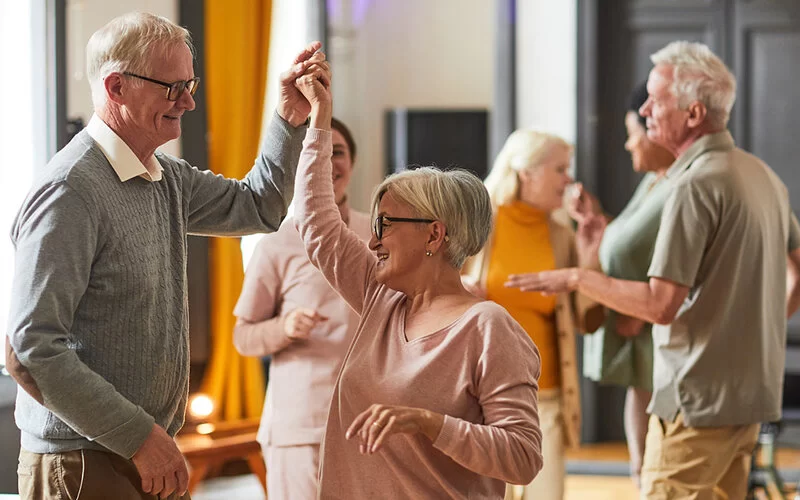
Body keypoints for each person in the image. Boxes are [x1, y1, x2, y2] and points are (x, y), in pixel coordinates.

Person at [4, 12, 322, 500]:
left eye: (189, 84)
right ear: (116, 87)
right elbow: (30, 349)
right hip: (84, 461)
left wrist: (287, 118)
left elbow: (258, 206)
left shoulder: (164, 176)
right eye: (172, 88)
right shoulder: (69, 191)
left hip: (133, 451)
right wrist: (138, 437)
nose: (189, 102)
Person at [505, 40, 800, 499]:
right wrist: (756, 327)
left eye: (656, 100)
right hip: (750, 398)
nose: (645, 109)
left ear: (694, 113)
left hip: (695, 402)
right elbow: (797, 269)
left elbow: (660, 306)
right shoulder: (762, 175)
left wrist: (578, 278)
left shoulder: (692, 185)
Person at [289, 63, 543, 498]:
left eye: (385, 224)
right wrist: (320, 119)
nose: (371, 240)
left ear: (434, 233)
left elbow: (522, 456)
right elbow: (317, 223)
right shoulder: (380, 297)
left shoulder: (487, 326)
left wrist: (430, 424)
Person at [232, 117, 370, 500]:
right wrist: (285, 327)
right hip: (302, 429)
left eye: (337, 152)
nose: (329, 162)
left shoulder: (376, 236)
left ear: (352, 163)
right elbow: (243, 337)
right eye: (319, 153)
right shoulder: (276, 243)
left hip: (371, 425)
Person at [461, 130, 602, 500]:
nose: (569, 180)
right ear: (527, 172)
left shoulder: (561, 235)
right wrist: (460, 291)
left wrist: (589, 257)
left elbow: (590, 321)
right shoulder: (474, 223)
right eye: (560, 169)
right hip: (479, 395)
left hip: (546, 398)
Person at [568, 80, 675, 488]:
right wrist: (597, 222)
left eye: (633, 135)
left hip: (655, 328)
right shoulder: (651, 182)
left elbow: (689, 265)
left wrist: (645, 317)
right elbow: (632, 240)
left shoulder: (679, 188)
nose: (629, 146)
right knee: (645, 461)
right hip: (637, 329)